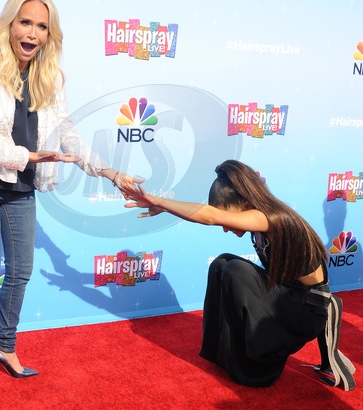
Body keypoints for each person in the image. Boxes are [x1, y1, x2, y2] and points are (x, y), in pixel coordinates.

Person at [0, 0, 142, 397]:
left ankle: (4, 346)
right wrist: (29, 155)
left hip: (21, 183)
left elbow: (66, 134)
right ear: (10, 24)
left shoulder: (50, 76)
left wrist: (108, 171)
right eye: (26, 22)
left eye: (42, 26)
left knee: (21, 271)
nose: (33, 33)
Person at [123, 159, 355, 390]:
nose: (225, 227)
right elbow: (212, 217)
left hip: (306, 310)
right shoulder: (261, 222)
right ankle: (223, 353)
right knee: (222, 264)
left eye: (226, 216)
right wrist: (165, 208)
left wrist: (159, 201)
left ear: (244, 202)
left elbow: (210, 216)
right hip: (287, 295)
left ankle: (258, 366)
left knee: (237, 270)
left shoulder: (270, 218)